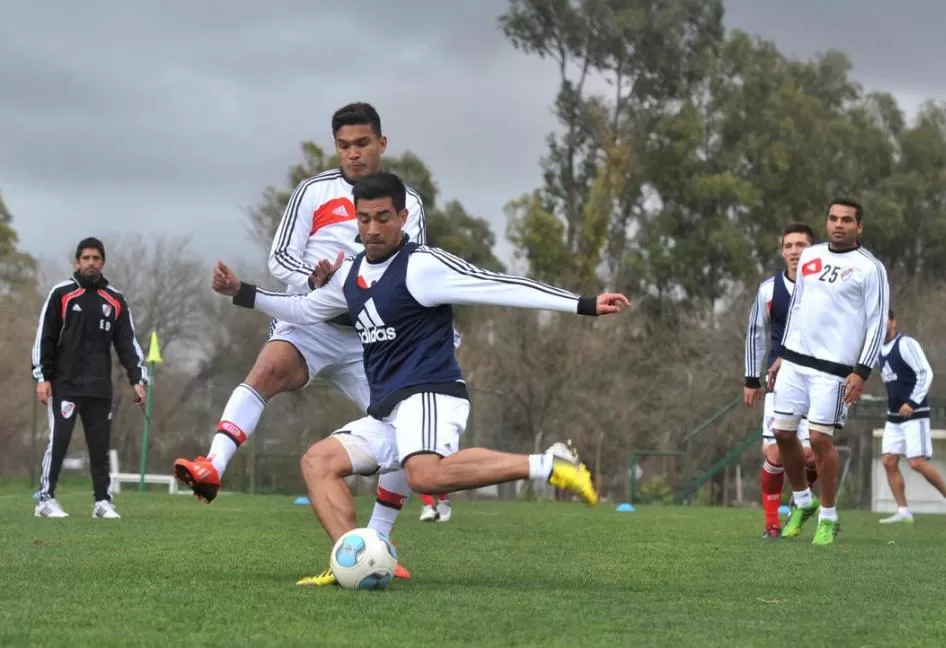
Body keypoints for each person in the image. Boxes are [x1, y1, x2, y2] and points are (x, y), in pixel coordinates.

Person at [212, 171, 629, 584]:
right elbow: (304, 311)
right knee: (318, 462)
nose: (373, 229)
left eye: (383, 218)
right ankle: (353, 560)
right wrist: (242, 292)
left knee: (424, 475)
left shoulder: (423, 266)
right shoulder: (350, 275)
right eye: (364, 219)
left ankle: (549, 463)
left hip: (430, 393)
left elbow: (501, 286)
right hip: (388, 408)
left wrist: (584, 304)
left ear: (403, 217)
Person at [172, 103, 424, 582]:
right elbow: (281, 257)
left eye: (363, 143)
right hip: (310, 321)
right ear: (337, 147)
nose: (354, 154)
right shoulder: (314, 191)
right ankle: (213, 466)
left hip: (371, 332)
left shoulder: (407, 201)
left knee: (405, 428)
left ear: (382, 144)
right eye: (345, 145)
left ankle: (379, 543)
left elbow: (412, 262)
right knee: (266, 370)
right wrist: (313, 279)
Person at [770, 198, 889, 545]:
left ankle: (828, 516)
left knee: (820, 440)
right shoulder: (810, 256)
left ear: (859, 227)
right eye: (833, 219)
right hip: (794, 360)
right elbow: (797, 306)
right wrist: (780, 354)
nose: (839, 225)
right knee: (783, 434)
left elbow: (877, 321)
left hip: (833, 370)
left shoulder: (871, 268)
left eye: (847, 220)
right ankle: (803, 502)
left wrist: (861, 371)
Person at [31, 237, 148, 519]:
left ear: (103, 262)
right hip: (65, 385)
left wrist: (137, 378)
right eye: (85, 258)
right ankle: (45, 500)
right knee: (58, 441)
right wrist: (42, 376)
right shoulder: (62, 294)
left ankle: (102, 502)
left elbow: (127, 342)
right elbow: (44, 338)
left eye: (96, 258)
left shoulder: (115, 300)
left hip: (99, 387)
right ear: (77, 262)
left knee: (99, 447)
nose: (91, 263)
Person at [743, 223, 818, 539]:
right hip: (779, 382)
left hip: (818, 380)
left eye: (801, 245)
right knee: (774, 453)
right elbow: (756, 333)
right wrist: (751, 378)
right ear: (782, 250)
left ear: (812, 250)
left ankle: (800, 500)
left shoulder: (825, 288)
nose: (794, 251)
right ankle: (772, 524)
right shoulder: (768, 290)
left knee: (813, 454)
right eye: (789, 245)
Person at [877, 309, 946, 524]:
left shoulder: (906, 344)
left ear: (893, 322)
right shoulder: (877, 349)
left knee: (916, 462)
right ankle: (904, 511)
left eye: (884, 319)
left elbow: (925, 372)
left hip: (915, 414)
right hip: (893, 415)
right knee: (888, 460)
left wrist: (912, 402)